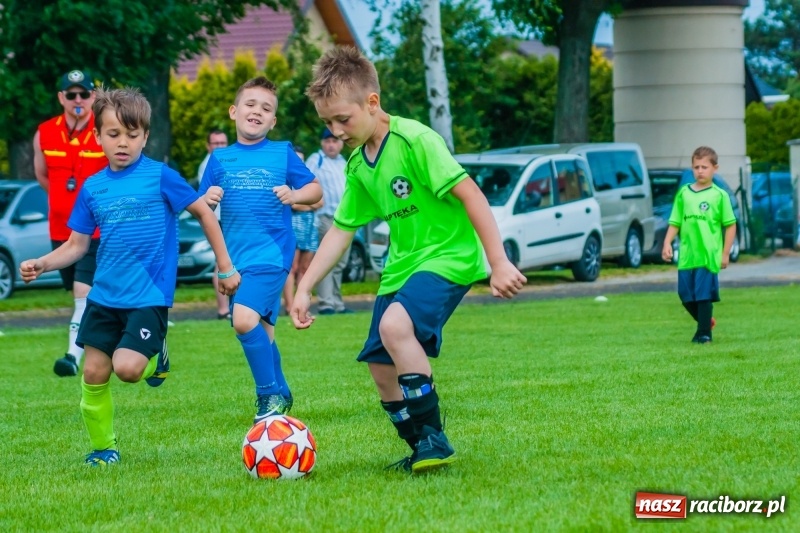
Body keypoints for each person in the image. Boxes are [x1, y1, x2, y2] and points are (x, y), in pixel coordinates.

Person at [291, 46, 527, 474]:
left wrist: (499, 261)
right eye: (327, 122)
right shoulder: (359, 166)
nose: (335, 130)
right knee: (381, 369)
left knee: (394, 326)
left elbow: (470, 193)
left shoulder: (415, 140)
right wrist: (305, 287)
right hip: (401, 268)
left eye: (342, 119)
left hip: (447, 258)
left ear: (372, 102)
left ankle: (435, 438)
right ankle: (419, 446)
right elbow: (343, 230)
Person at [20, 87, 240, 466]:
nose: (123, 143)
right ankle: (104, 449)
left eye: (132, 135)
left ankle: (158, 355)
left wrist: (226, 266)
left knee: (127, 369)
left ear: (145, 137)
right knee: (92, 372)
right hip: (103, 297)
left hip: (147, 296)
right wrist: (42, 262)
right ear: (98, 137)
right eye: (114, 134)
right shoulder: (93, 188)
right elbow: (76, 245)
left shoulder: (161, 176)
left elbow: (204, 213)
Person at [200, 77, 322, 423]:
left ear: (273, 121)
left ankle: (267, 395)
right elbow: (198, 205)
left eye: (266, 109)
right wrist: (207, 200)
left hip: (272, 254)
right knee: (262, 330)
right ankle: (281, 391)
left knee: (242, 321)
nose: (258, 111)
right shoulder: (219, 159)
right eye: (251, 105)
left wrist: (295, 195)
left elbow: (315, 191)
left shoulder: (281, 152)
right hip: (236, 260)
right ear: (234, 111)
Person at [33, 69, 109, 377]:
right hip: (59, 228)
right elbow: (41, 174)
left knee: (82, 291)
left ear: (94, 96)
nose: (78, 100)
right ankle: (107, 335)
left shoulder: (104, 129)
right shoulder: (45, 131)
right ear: (61, 97)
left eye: (84, 94)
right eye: (71, 94)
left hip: (96, 230)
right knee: (79, 293)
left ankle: (71, 357)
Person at [662, 146, 737, 344]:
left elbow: (730, 225)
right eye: (696, 167)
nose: (700, 171)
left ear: (715, 168)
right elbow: (675, 221)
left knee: (704, 295)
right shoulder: (684, 194)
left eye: (704, 167)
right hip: (688, 254)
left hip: (708, 255)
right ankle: (705, 322)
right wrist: (667, 242)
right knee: (685, 295)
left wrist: (725, 253)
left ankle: (704, 334)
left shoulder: (719, 195)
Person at [307, 127, 352, 315]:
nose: (331, 145)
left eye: (335, 141)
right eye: (328, 141)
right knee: (327, 260)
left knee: (340, 263)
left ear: (341, 143)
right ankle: (326, 303)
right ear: (322, 143)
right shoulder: (315, 160)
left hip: (346, 218)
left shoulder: (344, 161)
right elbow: (305, 183)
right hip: (325, 217)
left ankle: (337, 302)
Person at [282, 145, 324, 315]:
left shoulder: (307, 179)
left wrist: (300, 203)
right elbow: (288, 203)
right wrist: (306, 204)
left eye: (301, 158)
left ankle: (301, 306)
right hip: (292, 225)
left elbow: (320, 202)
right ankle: (289, 306)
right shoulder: (284, 178)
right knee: (292, 267)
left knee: (305, 268)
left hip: (310, 226)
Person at [196, 128, 231, 319]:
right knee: (221, 262)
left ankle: (228, 307)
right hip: (217, 218)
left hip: (227, 217)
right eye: (215, 143)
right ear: (208, 145)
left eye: (222, 143)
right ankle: (223, 309)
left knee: (227, 262)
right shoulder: (208, 165)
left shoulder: (225, 161)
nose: (219, 147)